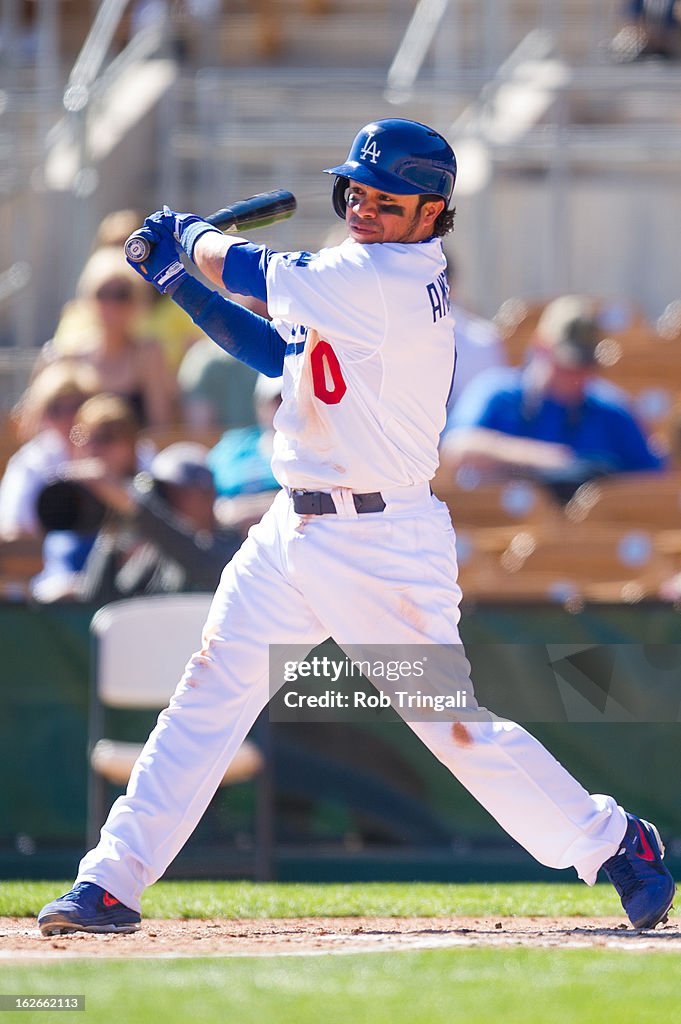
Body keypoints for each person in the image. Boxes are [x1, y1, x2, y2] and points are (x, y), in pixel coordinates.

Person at [38, 118, 675, 936]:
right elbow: (274, 352)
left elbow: (243, 268)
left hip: (379, 541)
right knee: (208, 691)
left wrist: (180, 235)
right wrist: (172, 274)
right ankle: (111, 880)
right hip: (291, 527)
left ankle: (617, 840)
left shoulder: (385, 278)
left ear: (430, 212)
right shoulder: (349, 277)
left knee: (452, 727)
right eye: (360, 193)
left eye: (389, 198)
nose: (367, 208)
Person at [440, 294, 665, 497]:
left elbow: (654, 482)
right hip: (510, 536)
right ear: (541, 346)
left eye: (585, 366)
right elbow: (456, 447)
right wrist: (547, 462)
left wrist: (600, 483)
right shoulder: (497, 394)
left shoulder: (610, 410)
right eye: (568, 364)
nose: (577, 375)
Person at [71, 441, 241, 604]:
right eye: (161, 493)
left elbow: (203, 563)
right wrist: (111, 532)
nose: (165, 503)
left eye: (176, 492)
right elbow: (100, 601)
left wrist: (134, 508)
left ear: (207, 494)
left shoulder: (232, 544)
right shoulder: (154, 555)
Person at [38, 246, 177, 428]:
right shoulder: (67, 357)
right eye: (102, 293)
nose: (111, 304)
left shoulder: (148, 355)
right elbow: (41, 430)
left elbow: (160, 426)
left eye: (121, 294)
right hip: (76, 456)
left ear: (138, 300)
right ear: (88, 298)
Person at [0, 361, 100, 541]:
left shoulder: (119, 445)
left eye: (77, 405)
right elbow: (13, 530)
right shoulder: (31, 462)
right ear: (42, 415)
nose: (68, 417)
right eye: (56, 409)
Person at [607, 0, 681, 61]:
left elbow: (676, 25)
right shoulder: (637, 2)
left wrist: (665, 37)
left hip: (668, 46)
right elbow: (628, 19)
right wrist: (647, 34)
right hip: (641, 43)